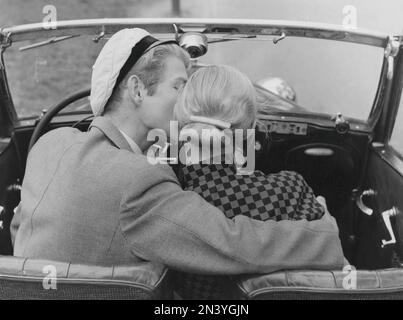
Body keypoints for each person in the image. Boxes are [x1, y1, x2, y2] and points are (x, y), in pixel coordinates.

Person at [11, 28, 345, 276]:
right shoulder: (140, 180)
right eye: (178, 86)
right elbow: (233, 245)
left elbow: (21, 227)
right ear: (138, 89)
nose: (187, 99)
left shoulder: (47, 146)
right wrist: (326, 234)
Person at [172, 65, 328, 299]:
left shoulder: (166, 195)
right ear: (252, 128)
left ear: (182, 124)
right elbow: (327, 268)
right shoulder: (291, 189)